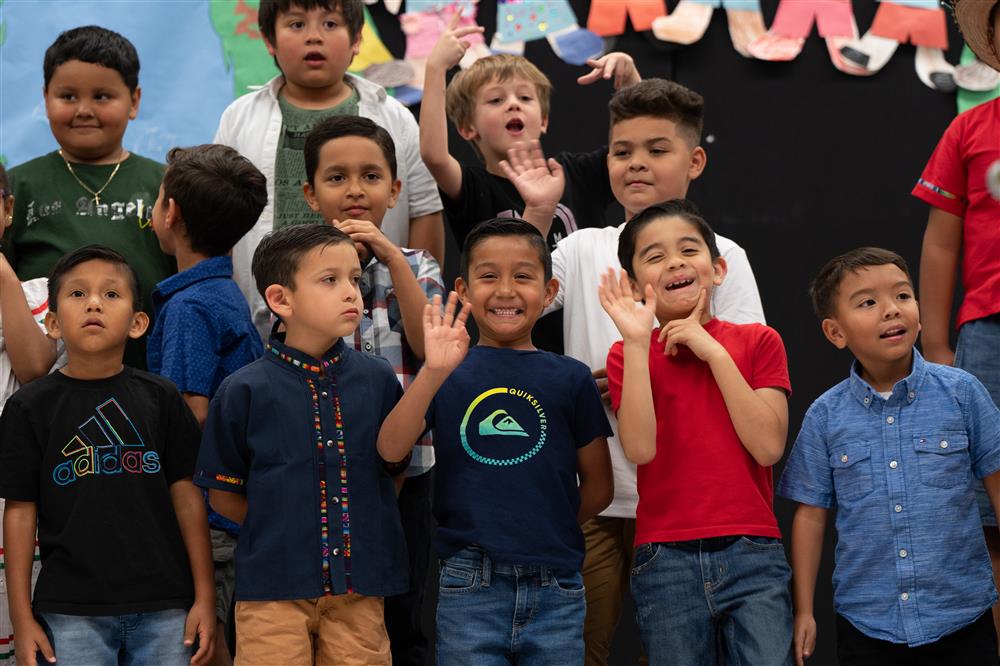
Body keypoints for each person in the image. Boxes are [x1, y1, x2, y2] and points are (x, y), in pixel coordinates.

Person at [510, 77, 765, 666]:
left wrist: (637, 373)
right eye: (622, 152)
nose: (636, 164)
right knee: (577, 647)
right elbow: (512, 300)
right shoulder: (580, 249)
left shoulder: (724, 258)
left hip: (684, 503)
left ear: (695, 160)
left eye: (658, 150)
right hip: (593, 493)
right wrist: (538, 213)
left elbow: (743, 365)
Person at [376, 218, 614, 665]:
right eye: (489, 276)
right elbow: (390, 450)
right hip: (470, 583)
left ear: (549, 292)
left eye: (523, 276)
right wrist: (432, 372)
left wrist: (543, 522)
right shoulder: (448, 371)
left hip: (557, 584)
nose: (505, 290)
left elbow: (599, 487)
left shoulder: (572, 378)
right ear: (463, 289)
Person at [194, 224, 408, 665]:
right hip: (271, 591)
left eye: (354, 278)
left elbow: (393, 472)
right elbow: (223, 495)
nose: (351, 292)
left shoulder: (378, 379)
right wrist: (287, 526)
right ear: (280, 300)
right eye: (330, 280)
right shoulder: (242, 391)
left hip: (359, 588)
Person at [779, 247, 1000, 665]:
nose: (890, 311)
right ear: (835, 332)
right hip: (867, 622)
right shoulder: (825, 416)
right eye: (867, 302)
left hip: (961, 614)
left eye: (902, 296)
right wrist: (804, 609)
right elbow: (810, 514)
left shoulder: (963, 392)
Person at [0, 245, 215, 666]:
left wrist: (204, 597)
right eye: (78, 294)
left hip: (166, 607)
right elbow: (20, 512)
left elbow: (189, 498)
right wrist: (22, 619)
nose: (94, 302)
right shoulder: (29, 408)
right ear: (53, 323)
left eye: (111, 294)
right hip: (70, 611)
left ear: (138, 323)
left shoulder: (161, 398)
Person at [601, 200, 792, 665]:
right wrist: (638, 340)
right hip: (664, 558)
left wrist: (715, 353)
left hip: (753, 550)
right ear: (631, 283)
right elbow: (640, 449)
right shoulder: (627, 355)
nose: (675, 262)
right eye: (654, 256)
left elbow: (768, 447)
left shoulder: (758, 342)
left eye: (689, 249)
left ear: (719, 268)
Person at [214, 0, 444, 342]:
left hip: (377, 322)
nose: (314, 37)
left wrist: (418, 302)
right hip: (268, 325)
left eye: (331, 24)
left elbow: (424, 212)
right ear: (268, 40)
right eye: (296, 25)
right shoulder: (240, 118)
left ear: (356, 40)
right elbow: (220, 221)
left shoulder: (394, 116)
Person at [301, 114, 443, 665]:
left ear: (395, 189)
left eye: (370, 176)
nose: (355, 190)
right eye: (336, 178)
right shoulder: (297, 267)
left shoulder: (417, 264)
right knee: (336, 611)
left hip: (412, 471)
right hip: (325, 472)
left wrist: (388, 255)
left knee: (404, 611)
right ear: (311, 194)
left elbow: (427, 344)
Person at [419, 16, 640, 353]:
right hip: (516, 349)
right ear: (467, 128)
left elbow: (636, 146)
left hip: (593, 341)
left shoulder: (574, 172)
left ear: (545, 119)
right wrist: (435, 68)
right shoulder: (472, 186)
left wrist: (630, 84)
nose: (512, 104)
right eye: (495, 100)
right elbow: (434, 155)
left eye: (525, 98)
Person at [146, 144, 267, 666]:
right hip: (232, 510)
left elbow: (188, 411)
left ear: (170, 213)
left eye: (157, 197)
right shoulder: (221, 290)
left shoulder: (190, 305)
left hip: (213, 520)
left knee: (209, 647)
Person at [3, 25, 174, 370]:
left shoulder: (166, 185)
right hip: (43, 390)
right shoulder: (16, 188)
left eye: (101, 96)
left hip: (149, 379)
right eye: (67, 96)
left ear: (134, 101)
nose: (83, 109)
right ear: (45, 97)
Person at [912, 87, 1000, 637]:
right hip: (988, 333)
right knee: (989, 523)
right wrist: (938, 348)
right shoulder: (969, 129)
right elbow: (942, 244)